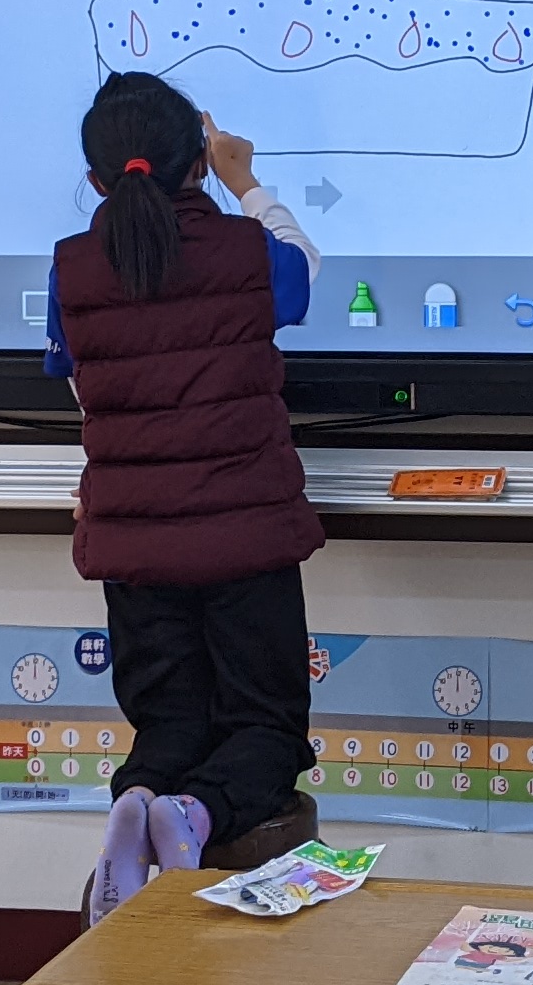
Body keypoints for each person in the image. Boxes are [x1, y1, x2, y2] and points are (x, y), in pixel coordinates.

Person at [47, 71, 327, 916]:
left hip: (134, 553)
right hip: (246, 544)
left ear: (97, 180)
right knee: (266, 733)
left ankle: (140, 801)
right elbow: (306, 273)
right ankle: (190, 815)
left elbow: (86, 392)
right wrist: (248, 182)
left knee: (167, 728)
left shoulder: (72, 271)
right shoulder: (246, 253)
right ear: (198, 165)